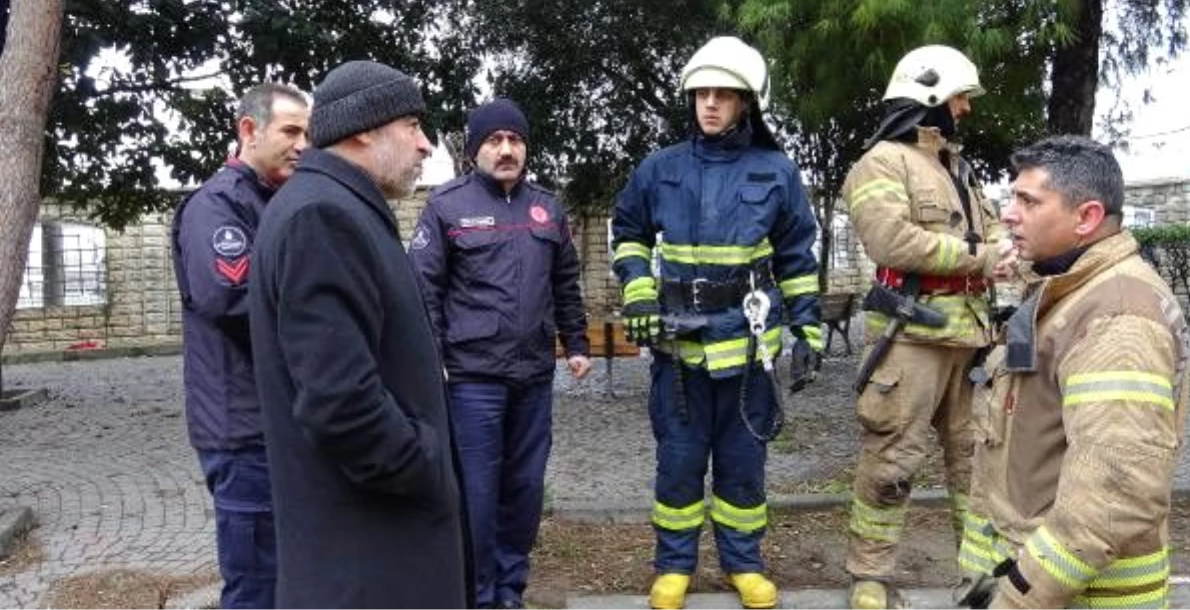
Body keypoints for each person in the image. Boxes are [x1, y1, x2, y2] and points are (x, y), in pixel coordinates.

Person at [246, 61, 471, 610]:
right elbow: (340, 404)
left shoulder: (343, 209)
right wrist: (426, 465)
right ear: (365, 128)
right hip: (367, 565)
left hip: (376, 555)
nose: (424, 146)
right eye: (412, 126)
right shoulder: (321, 218)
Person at [611, 35, 823, 610]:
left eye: (722, 95)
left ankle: (743, 563)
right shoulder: (660, 168)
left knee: (742, 465)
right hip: (679, 348)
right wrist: (638, 292)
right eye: (702, 93)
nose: (709, 104)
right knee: (678, 462)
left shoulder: (775, 171)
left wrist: (808, 331)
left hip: (749, 349)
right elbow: (626, 230)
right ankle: (674, 566)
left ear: (746, 103)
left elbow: (798, 256)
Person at [954, 136, 1190, 609]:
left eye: (1028, 201)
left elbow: (1114, 491)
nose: (1008, 213)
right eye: (1011, 197)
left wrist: (1018, 596)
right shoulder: (1068, 291)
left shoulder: (1117, 319)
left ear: (1086, 218)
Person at [839, 44, 1015, 610]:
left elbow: (994, 243)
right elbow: (890, 241)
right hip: (910, 341)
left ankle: (981, 580)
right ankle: (869, 576)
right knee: (892, 461)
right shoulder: (881, 163)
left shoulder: (959, 170)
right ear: (932, 97)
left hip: (974, 342)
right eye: (961, 96)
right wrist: (981, 256)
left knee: (979, 463)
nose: (965, 108)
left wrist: (1003, 256)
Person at [410, 98, 592, 610]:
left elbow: (565, 284)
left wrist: (575, 343)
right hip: (472, 382)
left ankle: (511, 591)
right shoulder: (447, 207)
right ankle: (478, 595)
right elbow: (423, 290)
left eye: (515, 140)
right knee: (478, 496)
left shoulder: (547, 208)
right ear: (474, 151)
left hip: (534, 378)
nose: (507, 149)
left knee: (525, 492)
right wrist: (432, 361)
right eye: (494, 141)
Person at [170, 82, 309, 610]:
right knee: (254, 584)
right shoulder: (217, 206)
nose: (303, 145)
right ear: (248, 130)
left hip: (278, 421)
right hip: (242, 428)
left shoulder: (275, 200)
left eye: (308, 135)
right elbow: (231, 300)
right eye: (291, 131)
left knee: (285, 573)